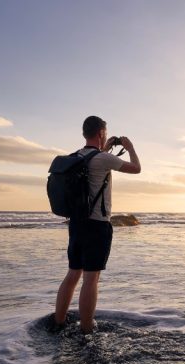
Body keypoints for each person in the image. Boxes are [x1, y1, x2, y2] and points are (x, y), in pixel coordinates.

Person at [53, 115, 141, 333]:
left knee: (73, 274)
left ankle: (59, 322)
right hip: (97, 225)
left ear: (85, 133)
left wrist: (107, 146)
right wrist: (129, 147)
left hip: (76, 223)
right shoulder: (103, 160)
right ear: (101, 133)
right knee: (91, 279)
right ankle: (86, 329)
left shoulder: (76, 157)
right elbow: (136, 168)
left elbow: (97, 158)